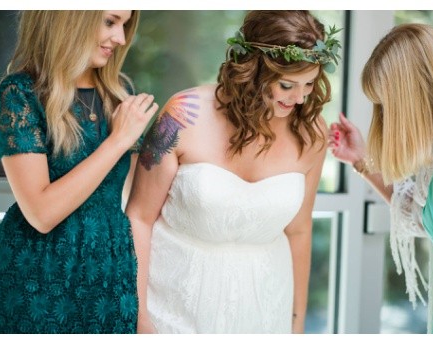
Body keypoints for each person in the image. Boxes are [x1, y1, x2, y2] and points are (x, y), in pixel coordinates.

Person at [125, 10, 338, 333]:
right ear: (253, 69)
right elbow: (139, 217)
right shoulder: (183, 115)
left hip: (266, 311)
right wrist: (140, 318)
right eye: (286, 85)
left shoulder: (312, 134)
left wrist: (296, 324)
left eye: (309, 84)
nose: (300, 98)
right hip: (172, 309)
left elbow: (298, 231)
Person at [0, 10, 155, 333]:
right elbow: (41, 213)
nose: (120, 38)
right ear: (70, 18)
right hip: (40, 274)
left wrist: (141, 309)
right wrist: (118, 140)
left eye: (125, 25)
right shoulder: (19, 94)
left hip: (111, 271)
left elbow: (139, 205)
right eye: (110, 22)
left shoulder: (118, 92)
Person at [329, 23, 433, 334]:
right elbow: (424, 219)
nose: (385, 118)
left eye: (388, 105)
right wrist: (360, 160)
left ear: (424, 93)